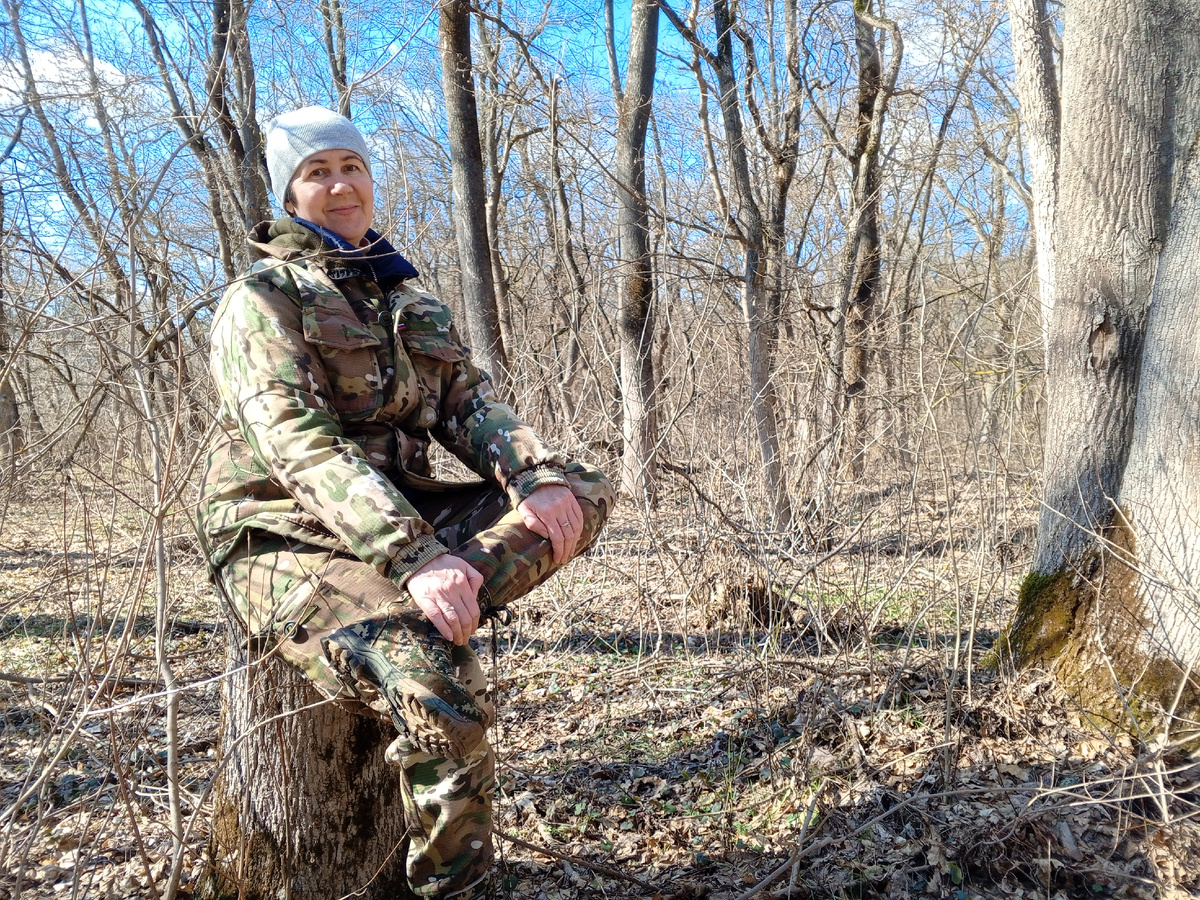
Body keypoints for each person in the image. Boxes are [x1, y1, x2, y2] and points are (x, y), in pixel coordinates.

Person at [197, 106, 614, 899]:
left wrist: (536, 478)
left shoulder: (403, 295)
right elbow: (300, 446)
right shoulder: (262, 299)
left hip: (399, 515)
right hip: (280, 535)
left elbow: (467, 405)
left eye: (351, 166)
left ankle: (428, 605)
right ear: (289, 194)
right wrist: (415, 557)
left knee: (582, 486)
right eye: (316, 172)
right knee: (440, 691)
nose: (340, 183)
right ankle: (450, 888)